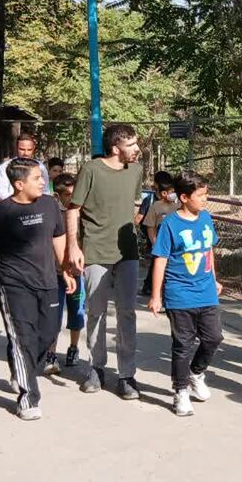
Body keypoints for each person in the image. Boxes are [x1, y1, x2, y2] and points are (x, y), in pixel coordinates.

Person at [0, 158, 74, 421]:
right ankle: (28, 398)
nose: (43, 182)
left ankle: (21, 368)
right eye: (37, 178)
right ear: (19, 184)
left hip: (48, 281)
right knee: (22, 339)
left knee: (48, 332)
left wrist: (66, 270)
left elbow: (59, 239)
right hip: (13, 284)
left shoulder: (50, 205)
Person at [66, 124, 143, 400]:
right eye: (131, 145)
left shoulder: (136, 170)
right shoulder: (91, 170)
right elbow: (73, 209)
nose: (137, 149)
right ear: (115, 148)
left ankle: (127, 374)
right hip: (96, 251)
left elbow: (135, 204)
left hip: (128, 252)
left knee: (127, 313)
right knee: (96, 311)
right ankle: (96, 368)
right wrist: (73, 245)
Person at [149, 171, 224, 417]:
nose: (205, 199)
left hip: (206, 291)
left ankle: (196, 373)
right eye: (200, 195)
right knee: (183, 344)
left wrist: (214, 279)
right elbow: (160, 259)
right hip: (179, 293)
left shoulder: (206, 218)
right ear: (184, 197)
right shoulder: (170, 224)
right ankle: (180, 391)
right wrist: (156, 295)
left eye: (206, 194)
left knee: (214, 338)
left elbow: (209, 251)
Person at [47, 173, 85, 370]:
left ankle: (73, 347)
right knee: (54, 315)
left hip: (77, 273)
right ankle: (51, 353)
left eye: (74, 194)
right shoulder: (51, 215)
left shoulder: (82, 214)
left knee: (77, 312)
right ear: (57, 195)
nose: (72, 198)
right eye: (68, 194)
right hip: (54, 273)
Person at [136, 170, 177, 296]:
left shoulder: (176, 203)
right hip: (155, 237)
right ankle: (152, 287)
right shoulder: (152, 202)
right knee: (158, 261)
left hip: (168, 238)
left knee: (159, 262)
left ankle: (152, 286)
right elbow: (143, 221)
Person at [0, 132, 52, 201]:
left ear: (33, 148)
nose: (26, 153)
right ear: (16, 148)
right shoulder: (5, 166)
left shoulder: (40, 167)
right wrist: (15, 203)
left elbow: (45, 190)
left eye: (29, 150)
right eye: (22, 149)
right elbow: (1, 190)